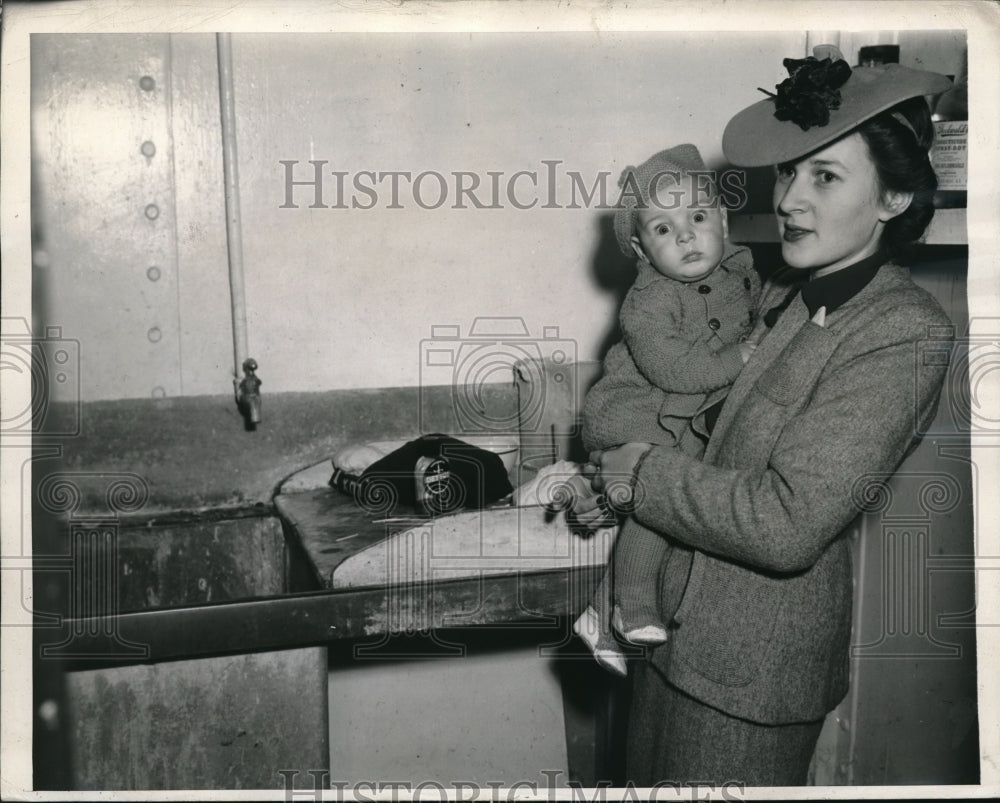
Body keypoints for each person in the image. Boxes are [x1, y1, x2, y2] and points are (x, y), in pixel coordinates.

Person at [569, 47, 954, 785]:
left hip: (751, 678)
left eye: (825, 176)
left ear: (893, 200)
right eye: (790, 172)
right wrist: (608, 474)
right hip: (663, 638)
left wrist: (641, 474)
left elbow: (786, 520)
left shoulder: (903, 330)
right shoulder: (771, 289)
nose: (788, 200)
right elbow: (681, 414)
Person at [573, 144, 759, 675]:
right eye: (662, 228)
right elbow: (674, 371)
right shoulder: (649, 300)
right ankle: (631, 605)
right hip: (640, 410)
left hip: (682, 412)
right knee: (660, 499)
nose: (684, 235)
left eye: (697, 217)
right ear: (640, 248)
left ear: (722, 220)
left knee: (678, 492)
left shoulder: (743, 270)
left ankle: (596, 616)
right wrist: (740, 357)